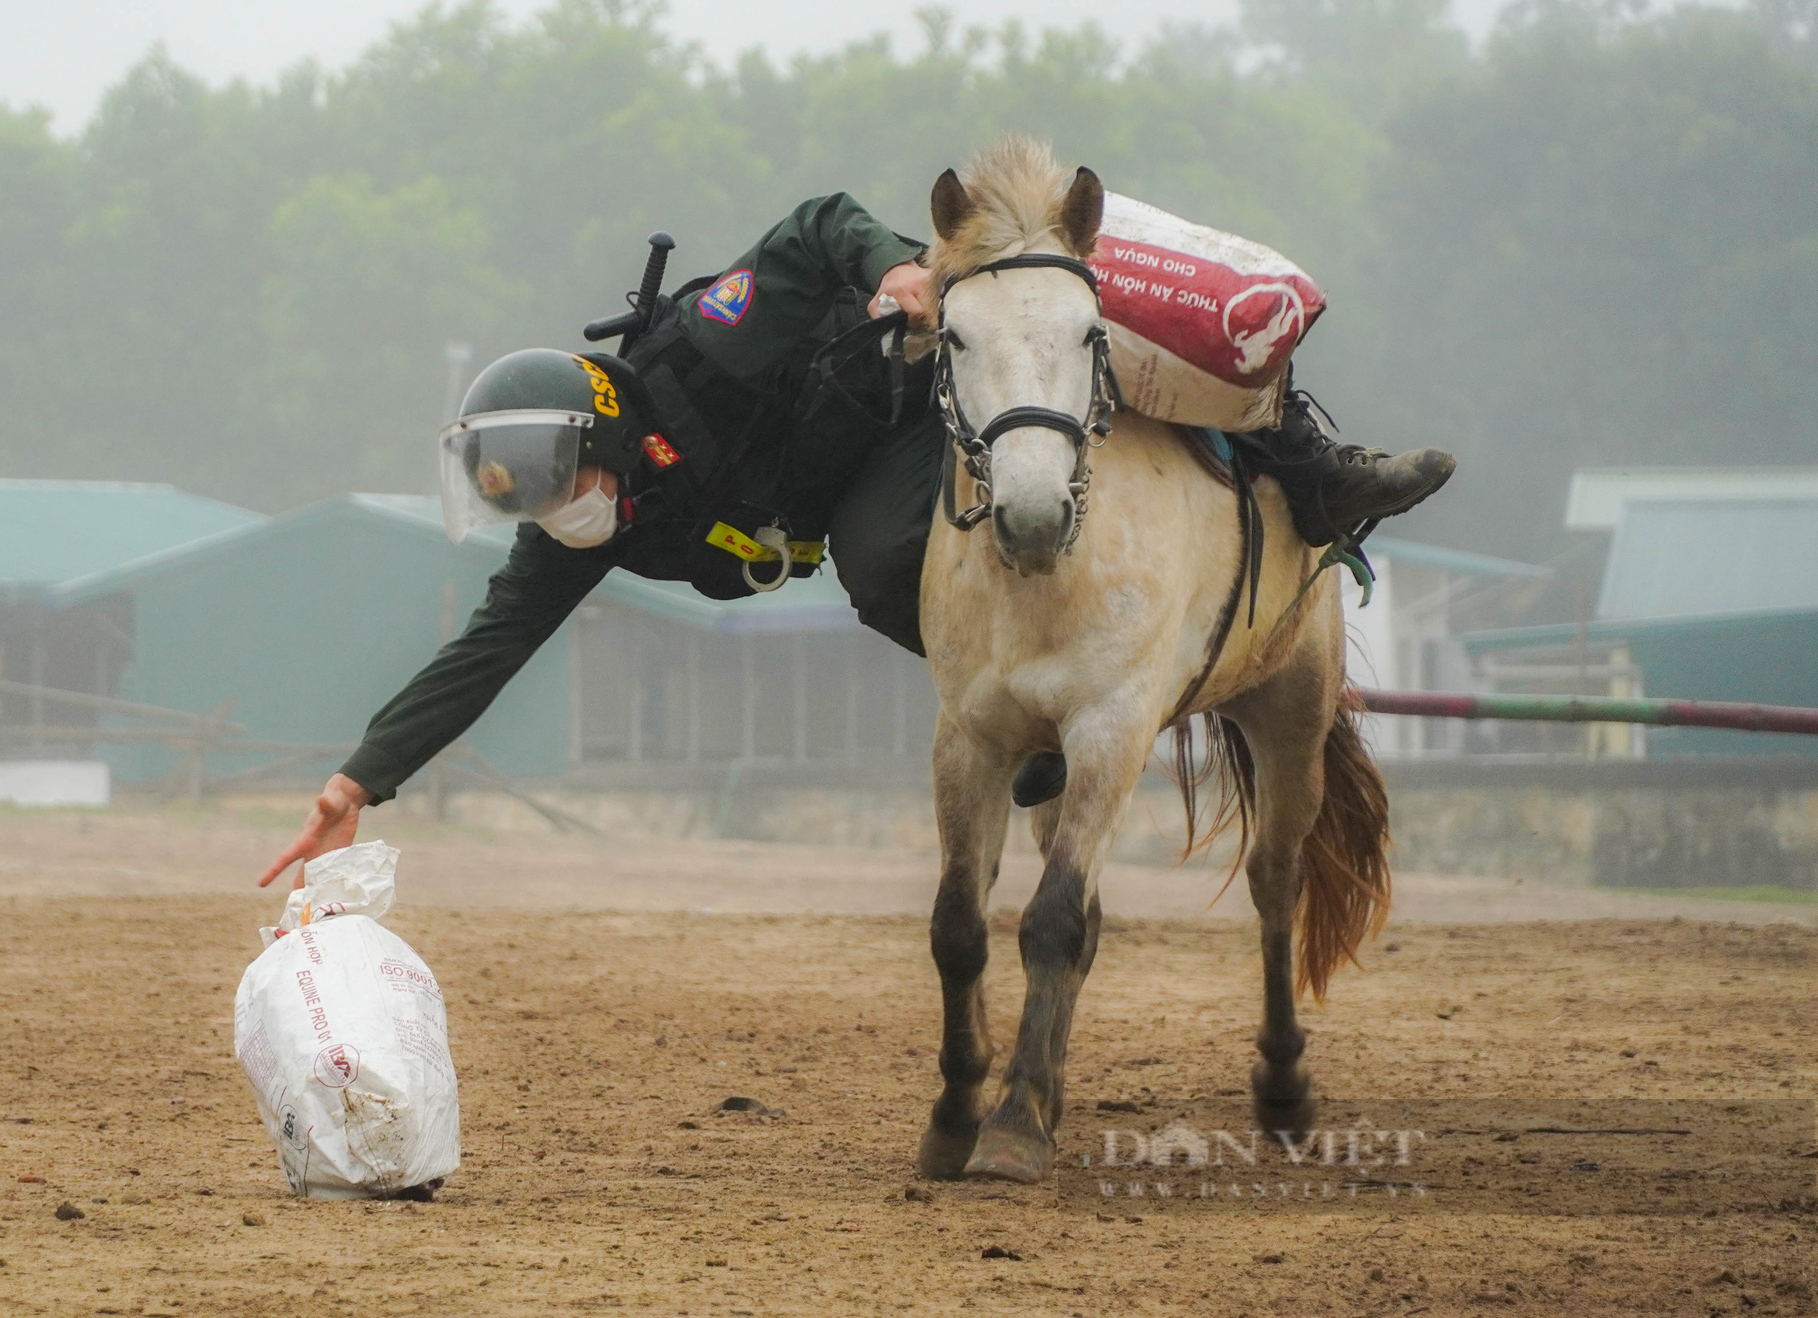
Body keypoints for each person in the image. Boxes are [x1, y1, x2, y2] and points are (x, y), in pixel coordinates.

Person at [259, 191, 1452, 887]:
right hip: (840, 497)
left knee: (904, 543)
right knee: (886, 583)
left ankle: (1317, 470)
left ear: (612, 434)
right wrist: (360, 777)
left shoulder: (705, 349)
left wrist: (893, 270)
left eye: (552, 480)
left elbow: (815, 223)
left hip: (900, 397)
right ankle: (1032, 739)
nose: (548, 511)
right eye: (522, 498)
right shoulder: (592, 529)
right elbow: (485, 650)